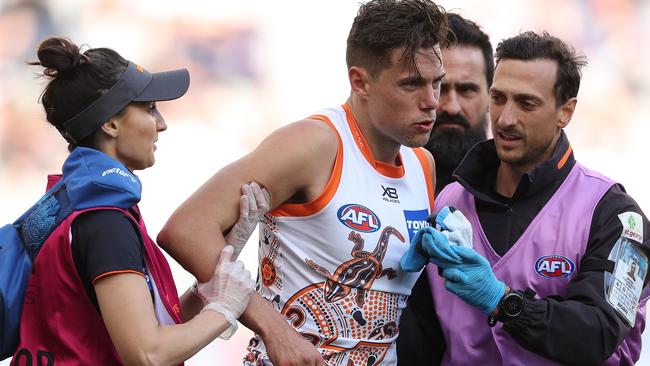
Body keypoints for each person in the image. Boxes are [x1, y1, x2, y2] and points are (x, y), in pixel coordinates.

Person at [157, 0, 449, 365]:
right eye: (411, 84)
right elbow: (185, 229)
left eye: (437, 82)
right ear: (360, 82)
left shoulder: (423, 164)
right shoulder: (315, 143)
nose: (432, 101)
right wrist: (275, 331)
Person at [403, 31, 650, 365]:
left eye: (526, 103)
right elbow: (425, 338)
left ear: (566, 111)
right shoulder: (449, 201)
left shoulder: (616, 216)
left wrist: (503, 302)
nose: (505, 118)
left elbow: (598, 335)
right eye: (499, 98)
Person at [13, 37, 263, 365]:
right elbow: (147, 354)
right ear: (110, 123)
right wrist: (224, 310)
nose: (162, 123)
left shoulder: (76, 204)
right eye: (149, 109)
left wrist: (214, 282)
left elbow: (144, 328)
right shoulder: (104, 220)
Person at [396, 13, 493, 364]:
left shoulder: (521, 196)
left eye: (466, 89)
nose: (449, 106)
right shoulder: (379, 178)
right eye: (439, 87)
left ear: (491, 95)